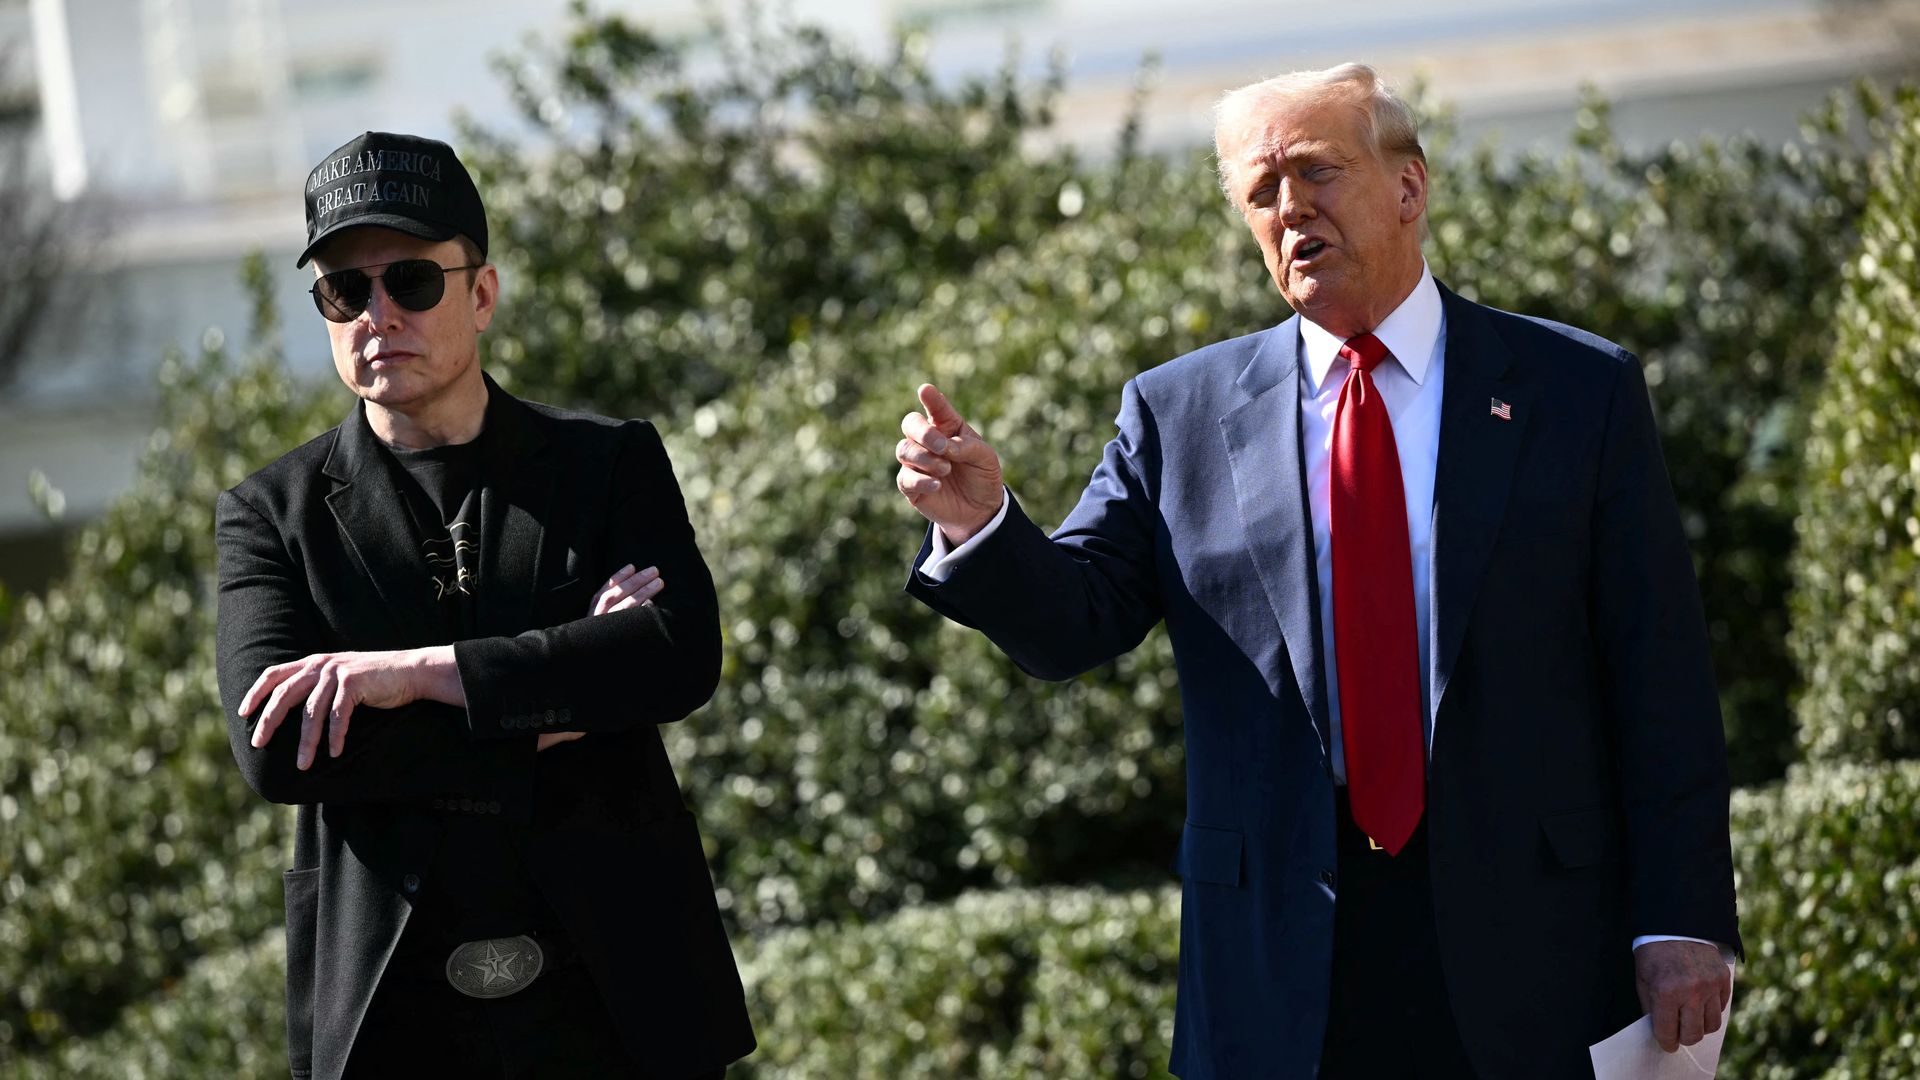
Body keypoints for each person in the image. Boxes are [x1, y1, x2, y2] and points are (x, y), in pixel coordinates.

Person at [893, 65, 1739, 1078]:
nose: (1291, 208)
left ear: (1409, 189)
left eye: (1319, 172)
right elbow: (1074, 621)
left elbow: (1660, 672)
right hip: (1279, 959)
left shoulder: (1574, 389)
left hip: (1536, 941)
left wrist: (1682, 917)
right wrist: (983, 524)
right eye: (1261, 190)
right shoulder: (1181, 414)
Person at [216, 131, 754, 1079]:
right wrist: (555, 698)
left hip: (625, 996)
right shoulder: (270, 514)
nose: (378, 312)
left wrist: (418, 678)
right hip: (392, 1006)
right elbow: (277, 746)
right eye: (346, 291)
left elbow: (676, 658)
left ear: (483, 292)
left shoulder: (608, 463)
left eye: (412, 281)